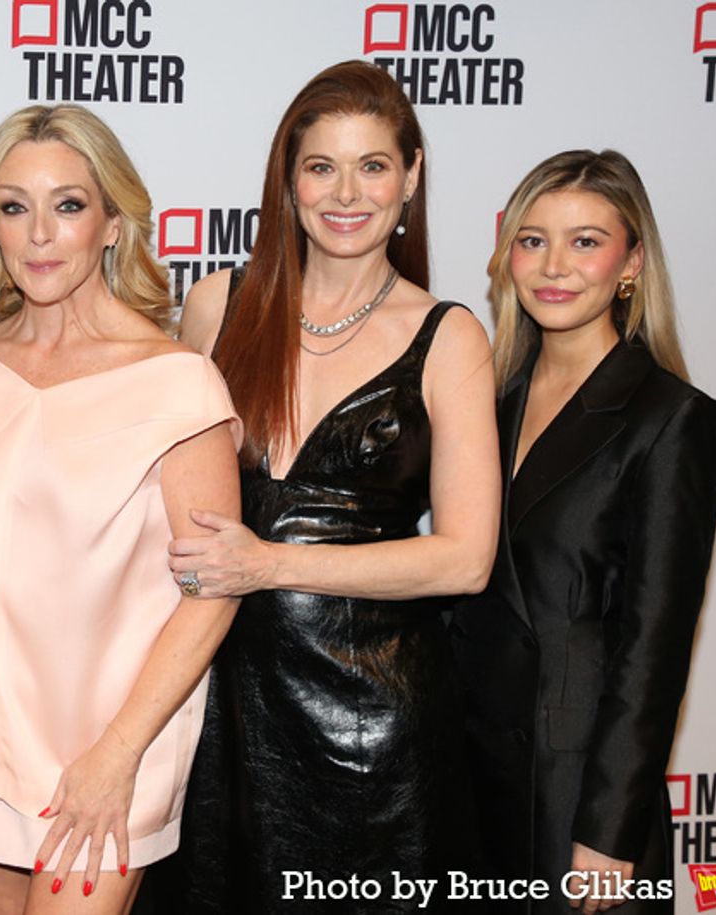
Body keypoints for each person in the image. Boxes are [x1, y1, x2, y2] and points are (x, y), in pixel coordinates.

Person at [158, 60, 500, 913]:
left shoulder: (448, 336)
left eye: (374, 165)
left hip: (372, 729)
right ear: (289, 180)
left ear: (411, 176)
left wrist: (267, 563)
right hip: (219, 716)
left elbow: (465, 559)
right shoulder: (215, 307)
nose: (347, 192)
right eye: (322, 167)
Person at [0, 104, 242, 915]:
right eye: (13, 207)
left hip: (111, 751)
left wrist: (116, 756)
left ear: (113, 223)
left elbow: (216, 590)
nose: (39, 235)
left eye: (67, 205)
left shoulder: (175, 382)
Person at [449, 150, 716, 914]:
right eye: (532, 240)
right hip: (474, 780)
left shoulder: (670, 417)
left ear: (630, 261)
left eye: (585, 241)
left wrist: (609, 831)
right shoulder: (485, 400)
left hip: (578, 792)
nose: (554, 266)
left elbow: (654, 648)